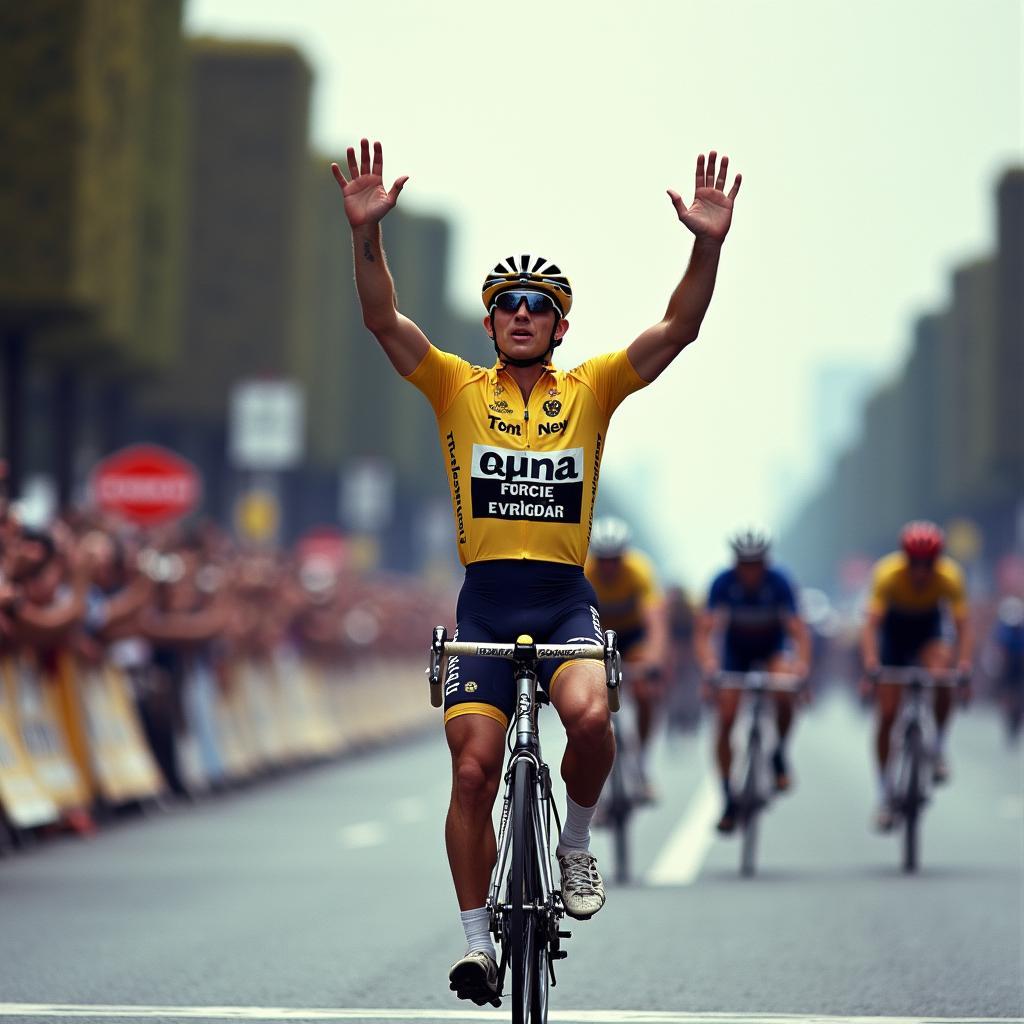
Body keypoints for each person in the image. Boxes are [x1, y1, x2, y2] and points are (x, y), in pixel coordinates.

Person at [331, 139, 741, 1006]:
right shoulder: (453, 386)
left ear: (561, 325)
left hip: (563, 605)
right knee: (473, 772)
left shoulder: (590, 390)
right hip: (485, 603)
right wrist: (367, 238)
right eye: (507, 304)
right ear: (488, 323)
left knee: (592, 721)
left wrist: (705, 244)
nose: (521, 313)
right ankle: (480, 946)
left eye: (539, 305)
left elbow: (679, 331)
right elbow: (382, 321)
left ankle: (578, 840)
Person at [695, 528, 810, 834]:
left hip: (773, 648)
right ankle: (727, 796)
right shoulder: (722, 582)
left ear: (766, 562)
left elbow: (798, 629)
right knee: (727, 717)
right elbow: (705, 631)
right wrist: (709, 664)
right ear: (735, 563)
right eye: (744, 563)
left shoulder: (780, 581)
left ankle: (779, 753)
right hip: (736, 653)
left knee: (784, 691)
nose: (750, 570)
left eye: (756, 563)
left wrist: (801, 666)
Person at [860, 520, 972, 830]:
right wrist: (871, 664)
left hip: (928, 629)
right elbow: (871, 625)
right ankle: (884, 793)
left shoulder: (950, 577)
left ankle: (937, 748)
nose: (921, 572)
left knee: (941, 672)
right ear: (905, 558)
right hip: (894, 632)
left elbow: (963, 627)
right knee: (888, 713)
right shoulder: (887, 575)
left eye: (928, 564)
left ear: (937, 561)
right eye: (915, 563)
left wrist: (963, 664)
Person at [584, 516, 668, 800]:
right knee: (594, 706)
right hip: (597, 637)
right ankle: (599, 784)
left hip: (633, 636)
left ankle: (641, 760)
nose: (609, 566)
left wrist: (653, 662)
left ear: (625, 555)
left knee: (645, 691)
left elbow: (655, 622)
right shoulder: (585, 572)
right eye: (603, 559)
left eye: (615, 559)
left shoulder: (638, 571)